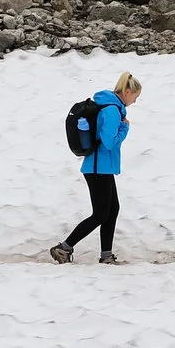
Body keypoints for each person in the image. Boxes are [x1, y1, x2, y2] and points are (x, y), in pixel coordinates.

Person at [52, 72, 139, 265]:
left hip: (101, 167)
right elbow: (108, 143)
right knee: (101, 213)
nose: (135, 101)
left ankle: (106, 255)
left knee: (112, 209)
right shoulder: (112, 111)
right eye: (135, 96)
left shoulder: (110, 107)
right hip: (98, 168)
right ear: (126, 92)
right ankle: (63, 248)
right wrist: (124, 129)